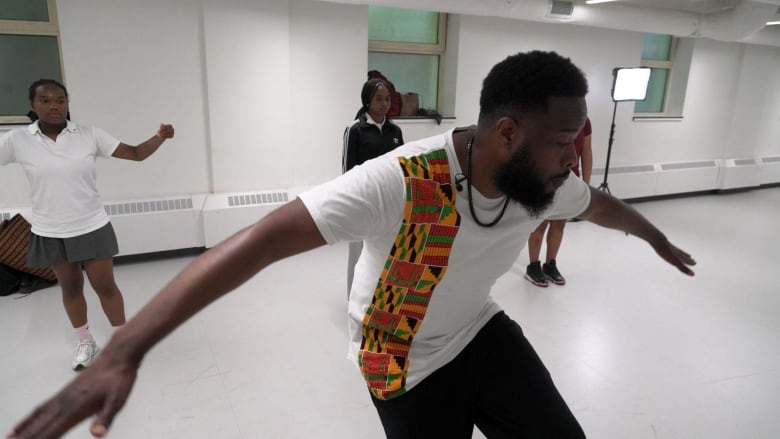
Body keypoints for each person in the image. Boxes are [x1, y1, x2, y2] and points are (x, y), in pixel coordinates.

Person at [6, 51, 695, 439]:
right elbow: (260, 241)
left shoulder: (544, 180)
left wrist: (656, 235)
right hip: (400, 353)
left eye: (579, 140)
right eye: (562, 140)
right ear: (508, 133)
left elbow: (598, 203)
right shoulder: (400, 179)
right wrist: (125, 348)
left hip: (478, 332)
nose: (574, 157)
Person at [0, 79, 174, 371]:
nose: (54, 106)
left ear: (68, 104)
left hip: (91, 224)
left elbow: (136, 153)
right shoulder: (18, 140)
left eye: (60, 100)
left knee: (105, 286)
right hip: (50, 230)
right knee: (70, 288)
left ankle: (123, 342)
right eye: (45, 101)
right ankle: (85, 342)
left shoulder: (89, 135)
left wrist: (160, 137)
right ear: (33, 105)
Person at [342, 78, 404, 295]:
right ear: (367, 100)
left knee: (385, 251)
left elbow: (401, 165)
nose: (384, 103)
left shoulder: (395, 131)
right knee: (358, 252)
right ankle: (354, 298)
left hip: (388, 201)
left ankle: (378, 297)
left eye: (387, 99)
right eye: (379, 98)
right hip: (362, 200)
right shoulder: (355, 130)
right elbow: (348, 169)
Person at [525, 116, 593, 287]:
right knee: (540, 224)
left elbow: (586, 151)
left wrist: (586, 183)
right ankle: (533, 267)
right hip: (545, 179)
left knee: (559, 225)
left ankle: (550, 264)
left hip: (569, 179)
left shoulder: (584, 121)